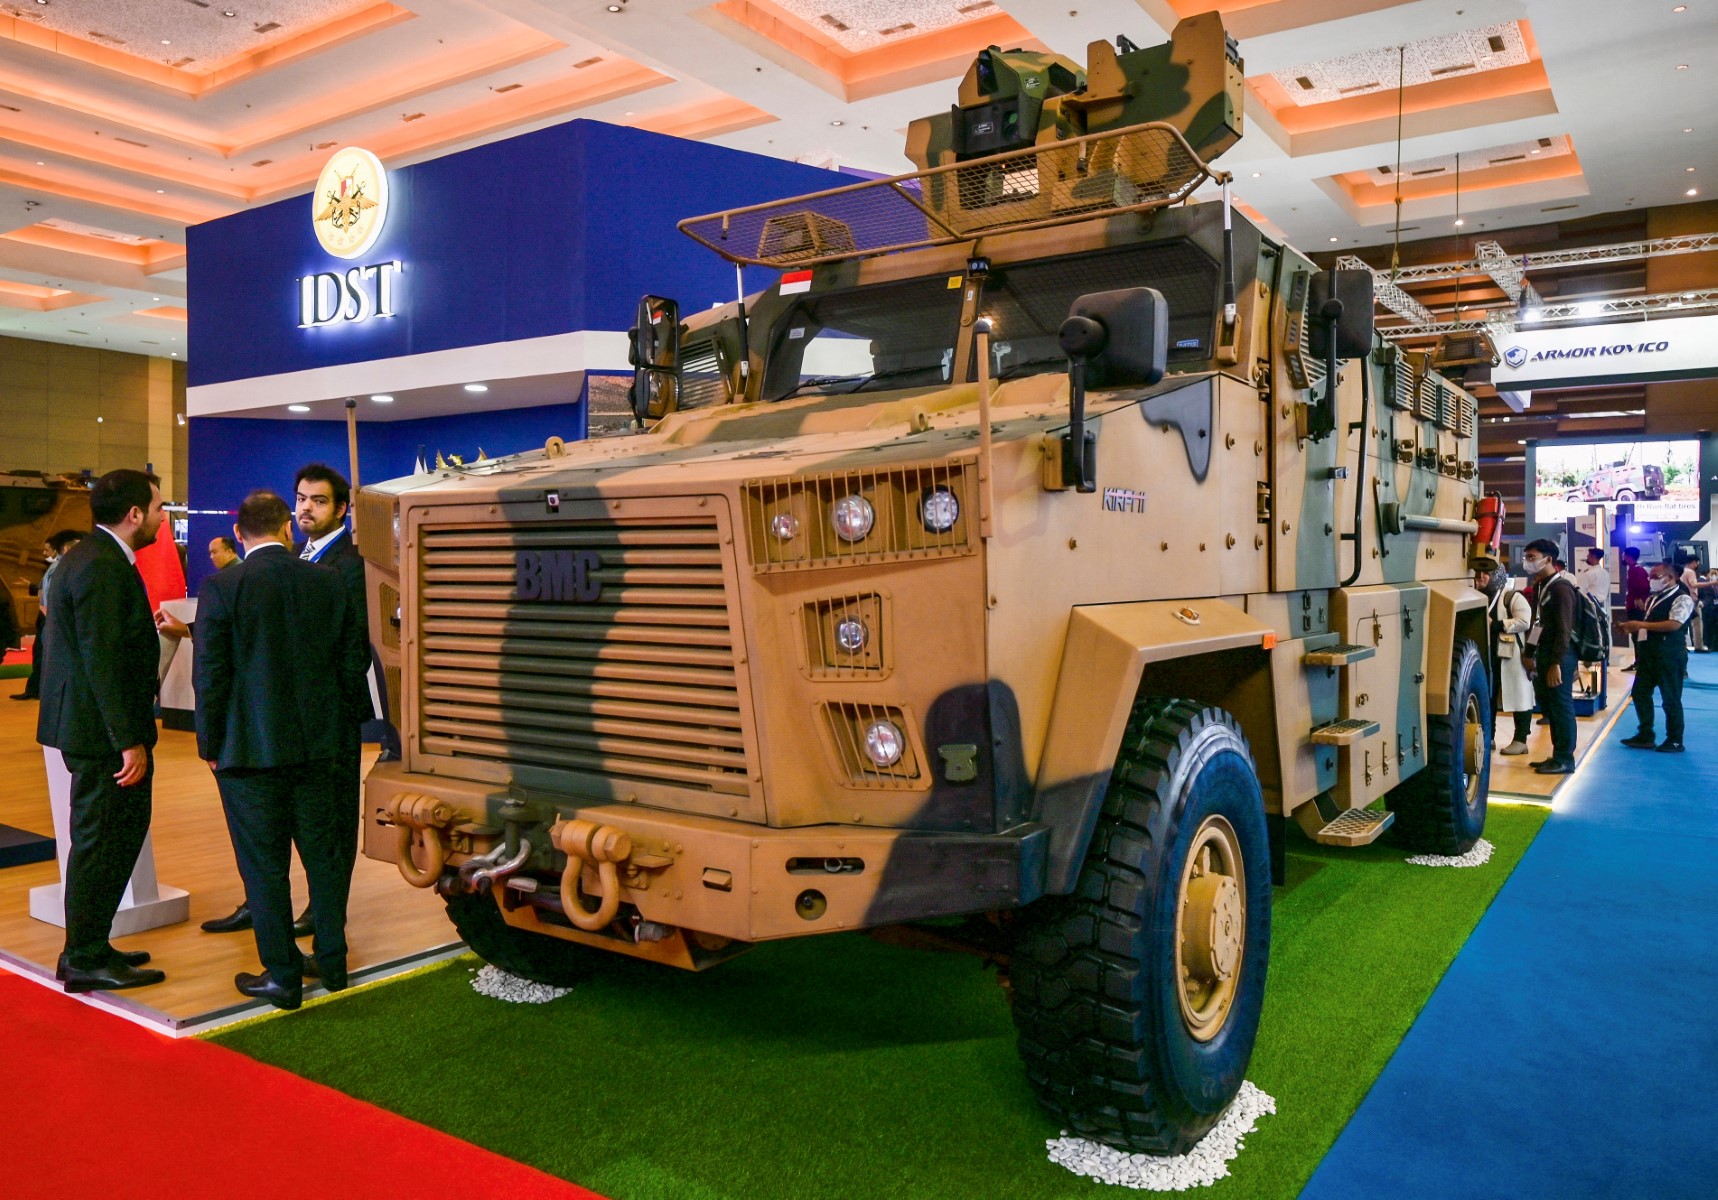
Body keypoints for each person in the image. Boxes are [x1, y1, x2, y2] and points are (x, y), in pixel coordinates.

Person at [194, 490, 369, 1010]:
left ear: (240, 534)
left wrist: (210, 744)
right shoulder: (328, 581)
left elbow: (212, 675)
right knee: (324, 858)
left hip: (248, 752)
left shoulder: (222, 587)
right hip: (320, 747)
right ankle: (333, 963)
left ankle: (282, 976)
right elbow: (351, 660)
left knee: (264, 868)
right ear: (286, 528)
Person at [36, 470, 167, 994]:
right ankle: (86, 954)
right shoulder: (104, 567)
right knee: (102, 842)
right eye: (158, 508)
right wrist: (128, 738)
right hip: (102, 735)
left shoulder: (86, 558)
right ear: (134, 514)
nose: (162, 517)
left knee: (104, 840)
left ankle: (89, 944)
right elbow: (104, 660)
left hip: (90, 728)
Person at [1618, 558, 1694, 753]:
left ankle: (1675, 739)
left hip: (1670, 655)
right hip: (1649, 655)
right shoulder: (1653, 598)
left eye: (1655, 577)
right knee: (1640, 693)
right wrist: (1633, 629)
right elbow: (1648, 623)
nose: (1651, 580)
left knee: (1671, 698)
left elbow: (1674, 624)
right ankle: (1645, 734)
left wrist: (1640, 625)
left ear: (1671, 577)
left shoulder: (1682, 598)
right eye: (1650, 577)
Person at [1521, 538, 1579, 775]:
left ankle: (1565, 758)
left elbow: (1564, 630)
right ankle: (1557, 755)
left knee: (1561, 706)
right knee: (1551, 707)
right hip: (1545, 654)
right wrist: (1529, 652)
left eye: (1532, 557)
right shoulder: (1540, 586)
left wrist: (1556, 663)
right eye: (1527, 557)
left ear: (1549, 559)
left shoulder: (1561, 588)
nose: (1527, 562)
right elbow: (1538, 624)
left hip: (1559, 657)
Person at [13, 529, 84, 702]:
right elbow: (49, 601)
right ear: (67, 548)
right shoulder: (61, 568)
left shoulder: (57, 568)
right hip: (55, 623)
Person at [1474, 557, 1535, 755]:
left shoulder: (1511, 597)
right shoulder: (1475, 597)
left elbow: (1525, 621)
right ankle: (1488, 737)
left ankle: (1520, 740)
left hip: (1512, 656)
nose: (1481, 577)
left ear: (1496, 576)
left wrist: (1498, 625)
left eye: (1486, 574)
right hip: (1487, 657)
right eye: (1478, 573)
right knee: (1488, 697)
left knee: (1520, 697)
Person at [1621, 547, 1649, 671]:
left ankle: (1640, 661)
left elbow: (1643, 586)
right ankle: (1639, 661)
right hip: (1633, 606)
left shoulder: (1636, 570)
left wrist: (1638, 598)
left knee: (1637, 634)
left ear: (1627, 556)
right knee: (1635, 635)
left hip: (1635, 608)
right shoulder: (1634, 569)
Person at [1678, 556, 1704, 653]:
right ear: (1693, 562)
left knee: (1681, 623)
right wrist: (1712, 582)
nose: (1697, 565)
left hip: (1682, 598)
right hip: (1692, 600)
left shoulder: (1681, 571)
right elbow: (1693, 585)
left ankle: (1682, 645)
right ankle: (1699, 646)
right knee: (1697, 623)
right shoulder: (1691, 572)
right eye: (1697, 562)